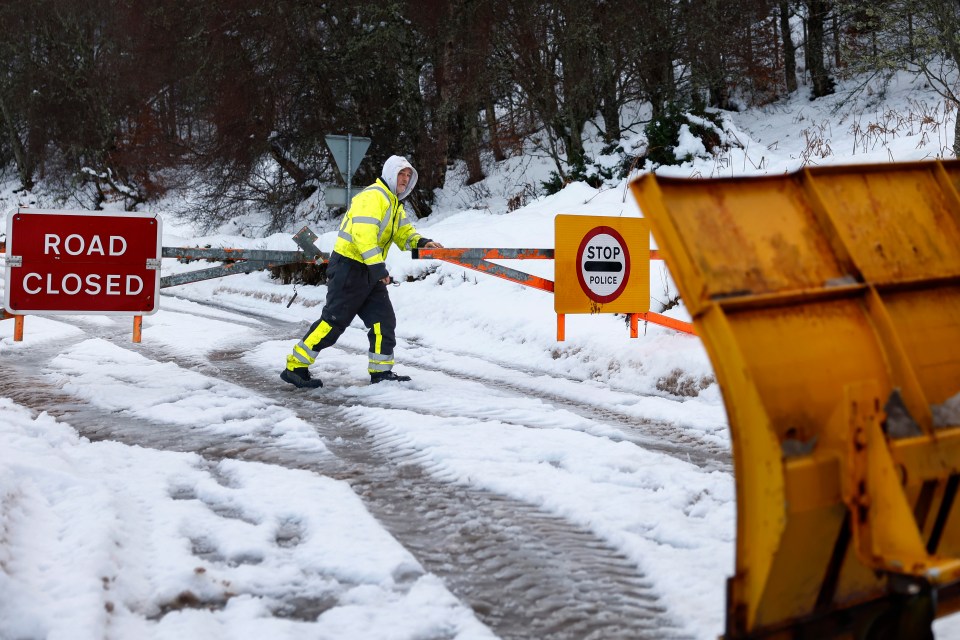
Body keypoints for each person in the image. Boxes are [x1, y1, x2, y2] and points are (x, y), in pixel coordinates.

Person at [281, 155, 442, 388]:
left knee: (383, 321)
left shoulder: (394, 203)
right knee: (333, 323)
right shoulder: (373, 197)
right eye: (401, 174)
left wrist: (422, 242)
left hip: (368, 270)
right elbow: (363, 236)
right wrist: (378, 268)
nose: (405, 179)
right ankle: (295, 366)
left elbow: (404, 233)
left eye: (409, 176)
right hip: (350, 267)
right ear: (390, 173)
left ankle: (381, 373)